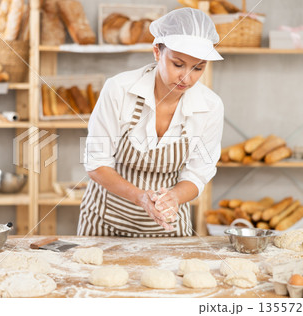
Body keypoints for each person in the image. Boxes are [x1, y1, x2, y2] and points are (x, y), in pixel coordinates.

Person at [77, 8, 224, 237]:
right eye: (178, 64)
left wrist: (174, 197)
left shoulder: (210, 106)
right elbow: (96, 163)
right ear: (157, 52)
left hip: (169, 227)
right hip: (105, 225)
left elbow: (198, 173)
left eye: (198, 68)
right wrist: (140, 197)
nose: (187, 78)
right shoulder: (119, 90)